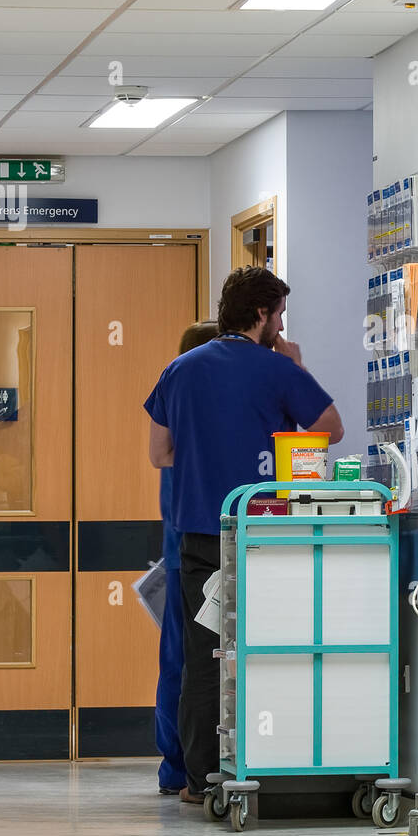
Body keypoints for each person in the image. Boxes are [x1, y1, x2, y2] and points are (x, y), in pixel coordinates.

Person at [143, 268, 343, 804]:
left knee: (204, 656)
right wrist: (295, 369)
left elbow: (160, 454)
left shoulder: (178, 370)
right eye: (279, 314)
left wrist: (209, 451)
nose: (281, 324)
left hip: (199, 541)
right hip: (265, 537)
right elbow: (330, 429)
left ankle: (198, 779)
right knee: (274, 650)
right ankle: (273, 762)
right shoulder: (278, 369)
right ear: (262, 315)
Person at [155, 320, 219, 796]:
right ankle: (181, 766)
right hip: (188, 556)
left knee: (184, 661)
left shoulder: (185, 424)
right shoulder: (188, 437)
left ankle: (181, 766)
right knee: (187, 662)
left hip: (185, 556)